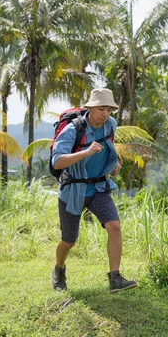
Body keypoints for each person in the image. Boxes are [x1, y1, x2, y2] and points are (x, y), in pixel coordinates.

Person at [50, 88, 137, 293]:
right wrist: (85, 152)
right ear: (90, 107)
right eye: (101, 108)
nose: (105, 113)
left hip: (98, 187)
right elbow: (58, 161)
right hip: (74, 189)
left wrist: (113, 164)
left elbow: (108, 148)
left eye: (108, 109)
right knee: (69, 240)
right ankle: (59, 269)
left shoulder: (111, 125)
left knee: (114, 226)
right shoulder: (73, 130)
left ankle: (115, 278)